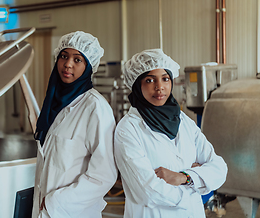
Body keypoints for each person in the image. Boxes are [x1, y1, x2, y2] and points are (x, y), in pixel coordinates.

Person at [114, 49, 227, 218]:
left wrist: (184, 177)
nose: (159, 87)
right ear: (137, 85)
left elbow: (219, 168)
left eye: (165, 79)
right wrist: (195, 189)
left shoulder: (183, 121)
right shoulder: (128, 129)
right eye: (150, 80)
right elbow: (148, 190)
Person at [32, 31, 117, 218]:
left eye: (77, 60)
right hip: (43, 210)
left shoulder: (95, 108)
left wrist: (56, 202)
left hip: (73, 211)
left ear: (88, 66)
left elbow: (104, 174)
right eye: (64, 56)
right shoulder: (54, 105)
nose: (68, 64)